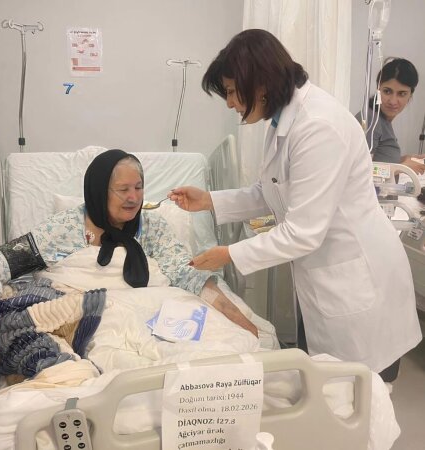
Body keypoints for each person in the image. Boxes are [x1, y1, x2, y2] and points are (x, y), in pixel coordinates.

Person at [169, 29, 422, 381]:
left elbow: (303, 233)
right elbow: (271, 192)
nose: (229, 103)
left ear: (259, 83)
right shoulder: (283, 119)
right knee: (335, 387)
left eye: (230, 91)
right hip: (330, 277)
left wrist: (228, 254)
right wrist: (209, 200)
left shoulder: (318, 126)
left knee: (365, 393)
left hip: (359, 279)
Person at [0, 149, 258, 337]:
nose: (133, 198)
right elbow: (9, 257)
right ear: (99, 192)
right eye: (123, 190)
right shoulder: (68, 228)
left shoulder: (153, 227)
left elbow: (185, 275)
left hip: (149, 325)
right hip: (92, 326)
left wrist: (236, 318)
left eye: (138, 187)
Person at [356, 57, 424, 174]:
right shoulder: (370, 120)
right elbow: (361, 171)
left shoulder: (382, 120)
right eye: (387, 91)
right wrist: (404, 167)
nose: (393, 101)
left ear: (410, 95)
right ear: (378, 89)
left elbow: (379, 161)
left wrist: (405, 159)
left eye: (401, 94)